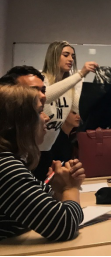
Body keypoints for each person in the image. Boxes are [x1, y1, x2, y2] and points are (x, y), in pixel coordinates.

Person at [0, 85, 85, 241]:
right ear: (18, 121)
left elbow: (45, 204)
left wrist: (58, 188)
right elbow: (64, 226)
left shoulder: (11, 161)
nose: (47, 118)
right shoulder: (5, 167)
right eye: (40, 111)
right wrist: (70, 187)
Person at [39, 42, 98, 180]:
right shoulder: (41, 79)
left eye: (73, 56)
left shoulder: (70, 86)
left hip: (48, 149)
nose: (71, 59)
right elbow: (45, 96)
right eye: (66, 55)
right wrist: (80, 74)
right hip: (31, 150)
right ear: (54, 56)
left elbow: (80, 108)